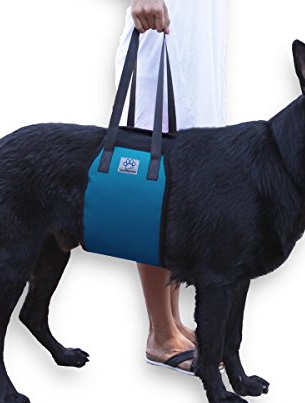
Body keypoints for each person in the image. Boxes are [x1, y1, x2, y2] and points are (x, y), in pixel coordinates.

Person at [116, 0, 227, 374]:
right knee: (153, 194)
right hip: (158, 38)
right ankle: (160, 332)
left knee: (179, 196)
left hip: (195, 49)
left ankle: (173, 320)